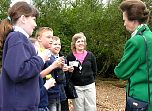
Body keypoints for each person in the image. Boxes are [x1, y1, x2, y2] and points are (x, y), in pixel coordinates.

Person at [0, 2, 49, 111]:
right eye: (34, 19)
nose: (35, 25)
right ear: (23, 18)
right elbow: (18, 71)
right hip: (19, 106)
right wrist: (40, 58)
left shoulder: (19, 39)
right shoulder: (17, 38)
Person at [114, 0, 152, 110]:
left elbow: (121, 72)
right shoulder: (150, 36)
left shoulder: (136, 42)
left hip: (140, 100)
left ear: (134, 21)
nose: (124, 23)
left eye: (125, 20)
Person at [66, 32, 97, 111]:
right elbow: (67, 72)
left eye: (82, 41)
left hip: (89, 86)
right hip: (76, 87)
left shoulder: (90, 55)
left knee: (91, 107)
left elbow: (95, 70)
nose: (81, 43)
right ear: (74, 44)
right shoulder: (70, 57)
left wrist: (91, 79)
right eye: (78, 41)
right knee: (78, 108)